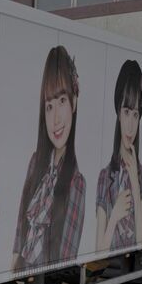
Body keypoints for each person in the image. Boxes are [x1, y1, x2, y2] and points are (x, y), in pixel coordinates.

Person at [12, 45, 87, 270]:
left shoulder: (76, 184)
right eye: (49, 106)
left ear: (74, 102)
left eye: (62, 101)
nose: (55, 119)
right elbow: (19, 238)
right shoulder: (36, 163)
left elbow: (64, 259)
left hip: (46, 276)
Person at [96, 59, 142, 252]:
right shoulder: (105, 176)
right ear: (118, 112)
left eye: (135, 114)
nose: (131, 126)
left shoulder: (141, 173)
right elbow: (98, 251)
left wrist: (135, 182)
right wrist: (114, 216)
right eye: (126, 112)